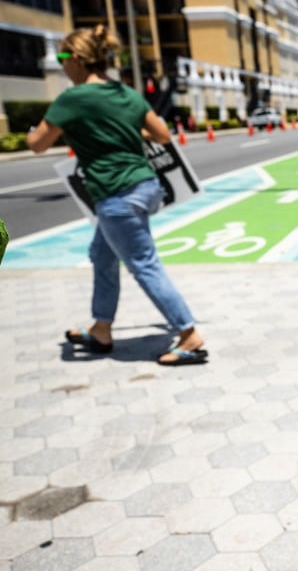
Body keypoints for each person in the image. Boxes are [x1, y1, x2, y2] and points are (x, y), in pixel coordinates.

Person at [26, 25, 207, 366]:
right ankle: (101, 329)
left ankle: (189, 335)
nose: (61, 64)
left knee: (143, 264)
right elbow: (163, 135)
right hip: (145, 186)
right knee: (102, 255)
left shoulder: (71, 99)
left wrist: (31, 133)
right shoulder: (126, 93)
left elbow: (38, 145)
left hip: (116, 194)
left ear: (77, 59)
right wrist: (124, 129)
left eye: (63, 57)